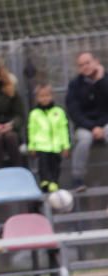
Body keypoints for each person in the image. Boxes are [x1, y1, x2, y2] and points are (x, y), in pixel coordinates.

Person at [65, 52, 108, 191]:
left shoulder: (105, 79)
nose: (85, 67)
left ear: (96, 61)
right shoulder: (74, 85)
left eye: (87, 62)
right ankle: (77, 178)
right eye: (81, 65)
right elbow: (74, 111)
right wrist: (92, 127)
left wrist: (100, 81)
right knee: (84, 140)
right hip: (85, 126)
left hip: (105, 123)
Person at [28, 84, 71, 193]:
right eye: (41, 96)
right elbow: (31, 131)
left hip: (56, 145)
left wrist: (65, 145)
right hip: (41, 145)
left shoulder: (59, 112)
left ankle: (54, 182)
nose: (44, 98)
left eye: (47, 95)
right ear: (37, 98)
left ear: (52, 96)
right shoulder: (34, 114)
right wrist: (32, 146)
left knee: (55, 165)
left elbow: (63, 129)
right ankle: (45, 182)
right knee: (43, 164)